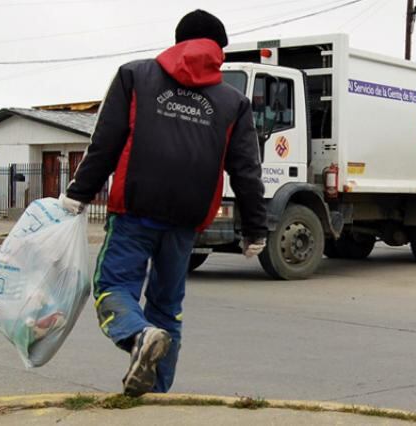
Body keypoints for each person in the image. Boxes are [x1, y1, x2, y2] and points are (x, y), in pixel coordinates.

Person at [59, 9, 267, 397]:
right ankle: (155, 395)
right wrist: (255, 228)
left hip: (136, 209)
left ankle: (137, 336)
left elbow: (106, 142)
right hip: (187, 219)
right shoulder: (232, 101)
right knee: (167, 306)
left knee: (113, 286)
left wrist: (78, 194)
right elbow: (246, 170)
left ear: (178, 41)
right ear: (218, 50)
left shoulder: (135, 76)